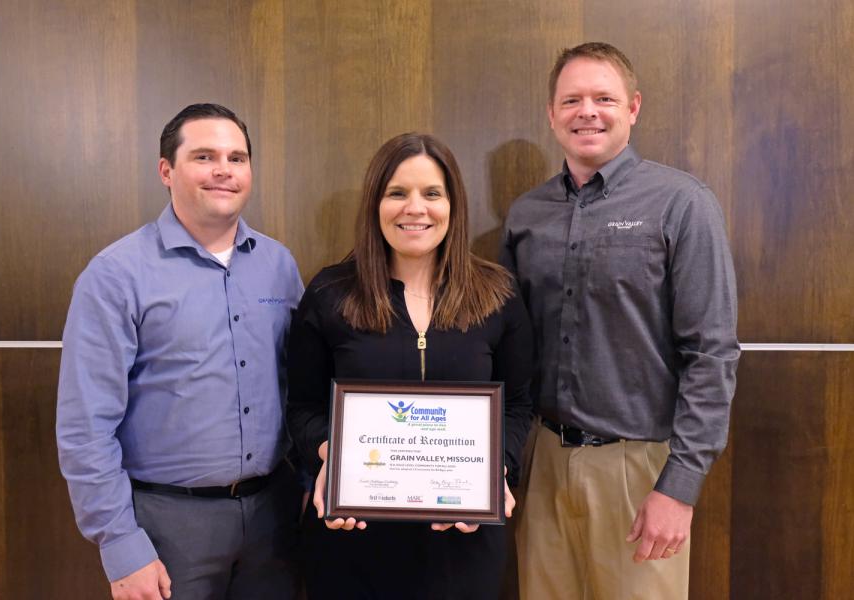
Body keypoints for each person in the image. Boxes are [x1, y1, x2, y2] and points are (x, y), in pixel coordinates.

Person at [501, 42, 740, 599]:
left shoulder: (682, 203)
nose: (588, 111)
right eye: (572, 99)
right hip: (543, 460)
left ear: (633, 107)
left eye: (603, 98)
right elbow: (509, 351)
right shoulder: (524, 215)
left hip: (640, 469)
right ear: (551, 113)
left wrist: (678, 488)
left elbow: (713, 354)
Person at [57, 103, 304, 599]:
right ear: (166, 171)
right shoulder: (116, 275)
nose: (223, 171)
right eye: (205, 156)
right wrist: (121, 543)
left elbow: (301, 386)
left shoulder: (279, 265)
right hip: (166, 530)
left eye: (237, 158)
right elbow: (86, 426)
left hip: (274, 520)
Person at [286, 132, 534, 600]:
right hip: (352, 539)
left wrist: (496, 468)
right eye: (397, 193)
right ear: (375, 204)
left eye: (432, 193)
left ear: (453, 204)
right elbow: (301, 406)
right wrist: (330, 456)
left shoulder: (497, 294)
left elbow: (519, 404)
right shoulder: (330, 293)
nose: (415, 208)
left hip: (463, 542)